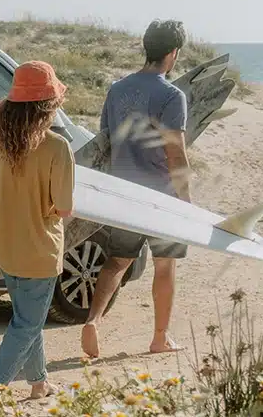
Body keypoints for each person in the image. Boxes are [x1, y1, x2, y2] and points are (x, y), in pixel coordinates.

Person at [81, 20, 193, 358]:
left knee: (116, 262)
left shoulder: (117, 90)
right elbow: (176, 153)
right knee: (165, 265)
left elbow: (105, 141)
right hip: (161, 198)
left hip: (124, 193)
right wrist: (186, 201)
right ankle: (160, 338)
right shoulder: (172, 96)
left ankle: (93, 321)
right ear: (173, 53)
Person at [0, 60, 76, 400]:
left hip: (6, 244)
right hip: (38, 249)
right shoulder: (57, 147)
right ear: (49, 105)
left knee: (27, 318)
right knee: (27, 324)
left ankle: (39, 383)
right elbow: (64, 208)